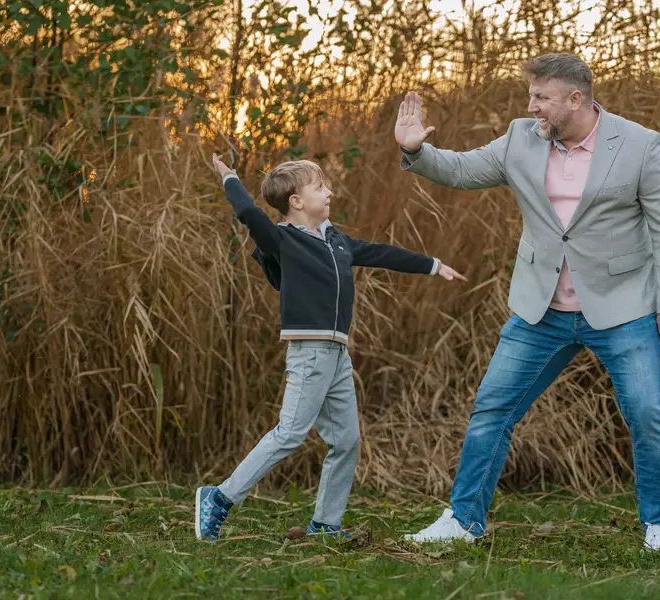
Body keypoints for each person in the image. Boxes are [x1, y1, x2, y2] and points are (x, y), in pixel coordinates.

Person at [396, 53, 660, 550]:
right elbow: (464, 170)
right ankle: (464, 521)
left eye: (541, 98)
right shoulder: (521, 138)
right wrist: (417, 152)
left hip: (623, 308)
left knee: (648, 414)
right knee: (493, 408)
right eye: (530, 96)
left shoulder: (639, 144)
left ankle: (659, 524)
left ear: (577, 99)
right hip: (541, 311)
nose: (531, 107)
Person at [195, 154, 466, 541]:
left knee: (346, 441)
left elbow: (379, 253)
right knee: (289, 434)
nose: (330, 192)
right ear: (296, 202)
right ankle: (219, 498)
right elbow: (250, 215)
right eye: (321, 187)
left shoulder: (338, 242)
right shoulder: (284, 240)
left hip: (337, 355)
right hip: (309, 351)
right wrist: (231, 180)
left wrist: (433, 264)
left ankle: (325, 524)